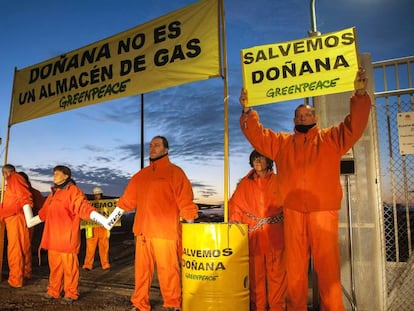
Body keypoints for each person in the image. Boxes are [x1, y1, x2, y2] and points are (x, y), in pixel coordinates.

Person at [239, 68, 371, 311]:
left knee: (328, 269)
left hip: (323, 212)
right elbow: (257, 136)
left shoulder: (331, 139)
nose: (302, 119)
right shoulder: (282, 144)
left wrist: (360, 94)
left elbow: (354, 126)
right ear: (293, 121)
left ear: (315, 119)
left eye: (307, 115)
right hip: (293, 212)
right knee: (295, 270)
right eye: (298, 116)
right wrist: (248, 111)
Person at [115, 135, 199, 311]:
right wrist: (109, 221)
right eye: (151, 145)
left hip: (165, 232)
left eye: (157, 145)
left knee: (168, 270)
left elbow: (185, 201)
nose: (152, 148)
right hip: (143, 232)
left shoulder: (175, 172)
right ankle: (140, 303)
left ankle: (172, 303)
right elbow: (126, 202)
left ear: (166, 150)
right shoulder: (141, 176)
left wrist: (190, 231)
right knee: (142, 272)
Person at [23, 165, 110, 303]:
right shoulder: (53, 194)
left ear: (66, 176)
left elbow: (83, 207)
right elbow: (44, 213)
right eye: (54, 173)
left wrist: (101, 219)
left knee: (70, 269)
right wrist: (29, 216)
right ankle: (54, 291)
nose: (54, 175)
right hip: (53, 240)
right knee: (55, 268)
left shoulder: (73, 191)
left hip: (67, 239)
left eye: (57, 173)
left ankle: (71, 293)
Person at [229, 150, 286, 311]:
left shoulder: (281, 181)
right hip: (253, 238)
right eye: (255, 158)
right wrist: (236, 229)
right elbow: (235, 207)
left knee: (278, 278)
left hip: (276, 237)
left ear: (269, 162)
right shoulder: (245, 184)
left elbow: (290, 205)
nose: (257, 161)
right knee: (255, 279)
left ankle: (277, 308)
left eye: (261, 158)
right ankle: (258, 308)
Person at [0, 164, 33, 288]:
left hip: (16, 217)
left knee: (15, 249)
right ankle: (25, 273)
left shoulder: (14, 178)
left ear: (6, 173)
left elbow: (25, 197)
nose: (4, 176)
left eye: (4, 173)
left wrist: (27, 210)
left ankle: (16, 279)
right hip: (15, 217)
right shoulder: (12, 182)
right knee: (23, 247)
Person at [18, 171, 46, 280]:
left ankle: (26, 271)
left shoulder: (32, 192)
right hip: (17, 222)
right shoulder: (14, 191)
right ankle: (20, 270)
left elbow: (43, 207)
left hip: (29, 222)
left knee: (25, 247)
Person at [82, 186, 111, 271]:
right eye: (95, 195)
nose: (96, 196)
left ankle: (105, 265)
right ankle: (88, 265)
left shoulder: (106, 205)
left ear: (101, 195)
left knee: (104, 248)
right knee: (90, 249)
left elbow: (109, 214)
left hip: (103, 229)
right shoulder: (89, 205)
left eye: (98, 195)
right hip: (92, 229)